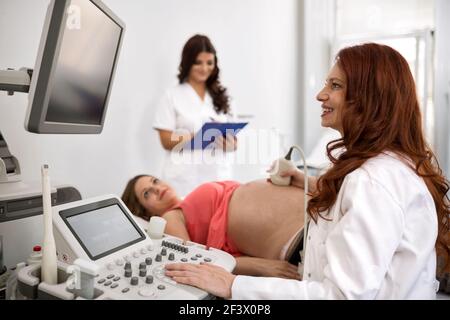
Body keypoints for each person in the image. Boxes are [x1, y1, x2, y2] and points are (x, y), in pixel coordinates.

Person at [164, 43, 450, 299]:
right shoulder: (383, 169)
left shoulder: (372, 181)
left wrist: (234, 285)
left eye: (335, 85)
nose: (320, 94)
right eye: (147, 191)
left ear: (368, 99)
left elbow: (341, 296)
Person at [121, 174, 306, 279]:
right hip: (297, 237)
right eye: (147, 194)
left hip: (315, 211)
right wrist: (261, 267)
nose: (157, 188)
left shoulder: (186, 201)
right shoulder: (170, 217)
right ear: (145, 214)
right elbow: (191, 262)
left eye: (155, 181)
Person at [153, 34, 238, 197]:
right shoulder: (172, 95)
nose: (204, 68)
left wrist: (230, 145)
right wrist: (198, 137)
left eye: (209, 63)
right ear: (187, 62)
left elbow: (234, 142)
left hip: (219, 178)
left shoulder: (224, 96)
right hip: (184, 181)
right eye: (198, 62)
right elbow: (165, 140)